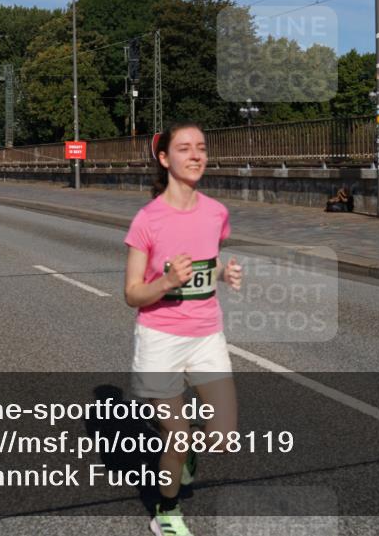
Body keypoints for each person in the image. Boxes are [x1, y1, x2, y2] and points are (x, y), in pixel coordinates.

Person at [123, 123, 243, 536]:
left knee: (225, 436)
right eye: (184, 149)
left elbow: (208, 264)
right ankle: (167, 510)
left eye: (202, 149)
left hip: (207, 334)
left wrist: (224, 275)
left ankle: (187, 457)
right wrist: (167, 283)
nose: (195, 156)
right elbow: (132, 294)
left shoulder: (216, 213)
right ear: (164, 159)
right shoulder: (147, 221)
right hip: (160, 339)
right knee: (177, 436)